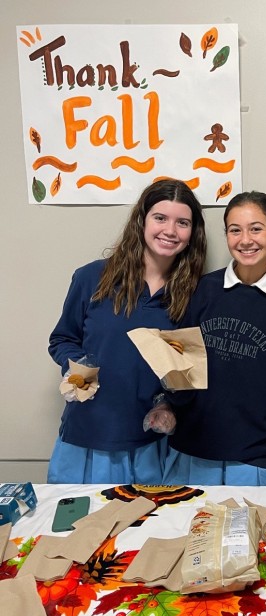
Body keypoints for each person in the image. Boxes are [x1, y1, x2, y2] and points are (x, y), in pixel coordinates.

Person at [48, 179, 207, 484]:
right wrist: (77, 369)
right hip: (88, 436)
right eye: (160, 218)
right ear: (142, 220)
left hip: (151, 443)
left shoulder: (195, 294)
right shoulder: (92, 277)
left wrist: (169, 405)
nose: (170, 231)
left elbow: (190, 372)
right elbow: (62, 339)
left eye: (182, 222)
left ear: (192, 233)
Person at [154, 191, 266, 486]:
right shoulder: (202, 291)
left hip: (253, 457)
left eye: (256, 228)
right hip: (189, 450)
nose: (245, 240)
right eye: (235, 230)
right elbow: (179, 363)